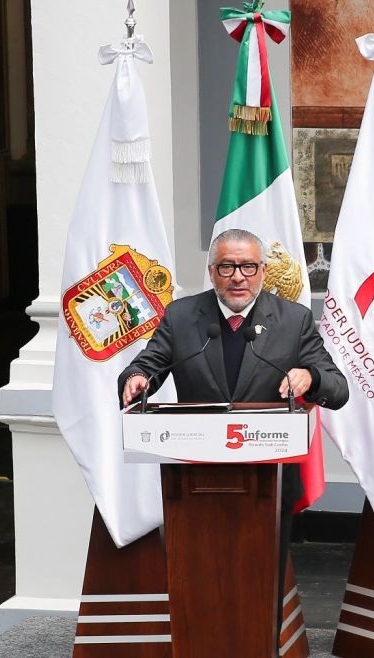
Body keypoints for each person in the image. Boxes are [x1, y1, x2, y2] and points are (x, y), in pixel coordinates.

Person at [117, 228, 348, 641]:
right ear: (212, 272)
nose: (237, 276)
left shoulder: (293, 320)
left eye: (247, 266)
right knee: (199, 581)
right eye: (227, 266)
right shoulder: (182, 316)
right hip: (194, 483)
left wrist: (309, 375)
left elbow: (338, 388)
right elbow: (146, 365)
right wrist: (136, 379)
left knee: (258, 587)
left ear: (262, 271)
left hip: (266, 481)